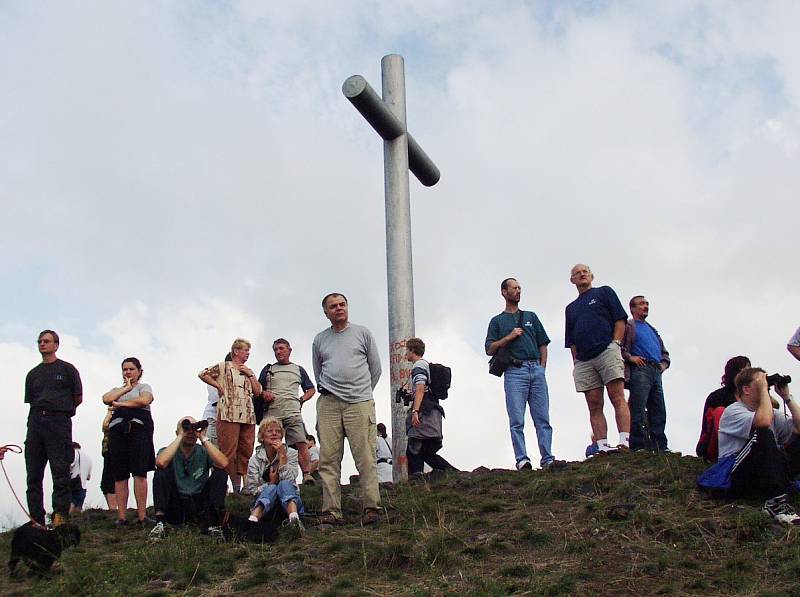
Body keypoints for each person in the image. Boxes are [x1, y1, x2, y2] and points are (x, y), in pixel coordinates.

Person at [312, 292, 382, 526]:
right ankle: (331, 511)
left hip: (359, 403)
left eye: (342, 304)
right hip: (329, 403)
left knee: (365, 457)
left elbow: (376, 369)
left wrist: (361, 393)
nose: (339, 308)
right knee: (328, 459)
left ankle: (371, 507)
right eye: (333, 306)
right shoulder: (320, 340)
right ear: (326, 312)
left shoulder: (362, 333)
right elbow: (318, 371)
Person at [485, 278, 557, 470]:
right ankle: (522, 459)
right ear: (503, 292)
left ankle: (548, 458)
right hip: (514, 372)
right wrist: (508, 337)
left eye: (519, 288)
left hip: (535, 369)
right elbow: (489, 348)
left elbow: (543, 343)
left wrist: (542, 367)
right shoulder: (497, 321)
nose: (518, 291)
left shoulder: (531, 316)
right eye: (514, 288)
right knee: (517, 419)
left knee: (542, 418)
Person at [714, 368, 800, 525]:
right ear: (746, 389)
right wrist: (763, 391)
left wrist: (786, 397)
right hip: (737, 477)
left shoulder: (769, 412)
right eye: (761, 383)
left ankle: (779, 491)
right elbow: (763, 423)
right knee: (763, 434)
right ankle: (775, 503)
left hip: (765, 476)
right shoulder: (733, 411)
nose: (765, 386)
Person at [565, 264, 631, 454]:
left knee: (617, 396)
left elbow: (620, 319)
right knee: (594, 403)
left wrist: (616, 343)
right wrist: (576, 361)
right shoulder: (571, 308)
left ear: (591, 275)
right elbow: (571, 339)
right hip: (584, 360)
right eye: (577, 273)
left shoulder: (604, 292)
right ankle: (601, 445)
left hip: (607, 350)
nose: (582, 274)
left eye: (585, 271)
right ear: (572, 280)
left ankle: (624, 441)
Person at [24, 329, 83, 527]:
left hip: (59, 422)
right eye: (40, 341)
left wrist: (61, 412)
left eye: (47, 341)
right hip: (35, 422)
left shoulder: (67, 369)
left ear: (56, 345)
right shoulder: (33, 374)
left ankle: (60, 517)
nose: (42, 344)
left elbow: (78, 398)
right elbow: (31, 401)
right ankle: (36, 519)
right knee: (33, 474)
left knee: (60, 472)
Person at [149, 416, 230, 541]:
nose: (191, 432)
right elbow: (161, 462)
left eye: (194, 427)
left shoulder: (202, 451)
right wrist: (181, 436)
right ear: (178, 432)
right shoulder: (167, 451)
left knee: (220, 473)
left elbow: (224, 463)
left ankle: (213, 523)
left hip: (199, 503)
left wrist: (203, 437)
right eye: (187, 427)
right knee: (161, 472)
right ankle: (160, 523)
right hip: (176, 503)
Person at [199, 338, 262, 493]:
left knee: (246, 450)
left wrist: (250, 374)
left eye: (249, 351)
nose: (247, 354)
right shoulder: (223, 366)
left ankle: (244, 486)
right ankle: (222, 487)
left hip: (247, 414)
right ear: (236, 351)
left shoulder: (248, 370)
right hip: (228, 413)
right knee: (228, 451)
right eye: (245, 350)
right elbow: (202, 374)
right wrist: (218, 386)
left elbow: (258, 391)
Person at [102, 357, 155, 526]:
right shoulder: (117, 390)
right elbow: (106, 398)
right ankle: (122, 516)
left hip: (138, 430)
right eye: (125, 369)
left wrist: (121, 404)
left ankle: (142, 516)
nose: (128, 372)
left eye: (131, 369)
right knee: (120, 475)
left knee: (140, 473)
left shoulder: (144, 387)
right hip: (117, 433)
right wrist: (125, 388)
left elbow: (145, 400)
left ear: (139, 371)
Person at [258, 338, 317, 485]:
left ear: (289, 350)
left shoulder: (298, 369)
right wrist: (264, 393)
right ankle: (268, 477)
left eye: (281, 348)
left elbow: (311, 389)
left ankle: (306, 474)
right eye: (276, 349)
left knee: (300, 443)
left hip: (292, 411)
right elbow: (258, 389)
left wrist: (301, 399)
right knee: (270, 445)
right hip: (272, 413)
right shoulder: (268, 369)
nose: (278, 352)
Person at [621, 295, 671, 452]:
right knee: (638, 408)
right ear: (632, 308)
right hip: (640, 370)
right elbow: (619, 348)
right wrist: (631, 358)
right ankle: (639, 445)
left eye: (647, 304)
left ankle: (659, 446)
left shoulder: (652, 329)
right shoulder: (628, 326)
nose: (645, 306)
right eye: (641, 304)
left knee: (659, 409)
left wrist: (663, 365)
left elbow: (664, 352)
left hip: (655, 370)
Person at [404, 337, 457, 477]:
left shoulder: (418, 366)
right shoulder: (426, 365)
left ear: (412, 350)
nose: (405, 354)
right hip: (434, 412)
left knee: (413, 449)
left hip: (425, 413)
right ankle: (453, 473)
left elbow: (421, 388)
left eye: (407, 350)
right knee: (427, 453)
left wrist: (415, 411)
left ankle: (416, 479)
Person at [244, 417, 304, 531]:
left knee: (285, 484)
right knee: (271, 488)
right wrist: (271, 483)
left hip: (289, 501)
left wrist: (282, 456)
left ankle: (294, 520)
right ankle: (252, 521)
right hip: (266, 504)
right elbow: (253, 489)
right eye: (270, 431)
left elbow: (291, 480)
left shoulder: (291, 453)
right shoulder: (254, 460)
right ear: (262, 436)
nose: (274, 434)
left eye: (278, 431)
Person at [696, 356, 751, 462]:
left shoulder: (750, 397)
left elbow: (775, 405)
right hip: (717, 444)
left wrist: (762, 389)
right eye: (744, 371)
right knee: (720, 412)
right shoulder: (718, 396)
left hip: (744, 442)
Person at [68, 442, 92, 514]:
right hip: (83, 486)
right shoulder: (88, 458)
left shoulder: (75, 453)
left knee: (71, 502)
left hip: (75, 482)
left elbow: (70, 465)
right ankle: (76, 522)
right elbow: (88, 477)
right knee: (78, 507)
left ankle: (67, 520)